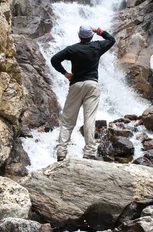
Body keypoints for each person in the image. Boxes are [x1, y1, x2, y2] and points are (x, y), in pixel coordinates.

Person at [50, 24, 116, 161]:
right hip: (92, 85)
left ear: (79, 36)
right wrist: (98, 30)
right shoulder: (97, 46)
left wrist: (65, 73)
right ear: (91, 36)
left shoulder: (72, 49)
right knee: (89, 120)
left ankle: (61, 152)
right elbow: (111, 40)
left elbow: (54, 59)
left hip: (76, 85)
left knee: (68, 120)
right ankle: (90, 151)